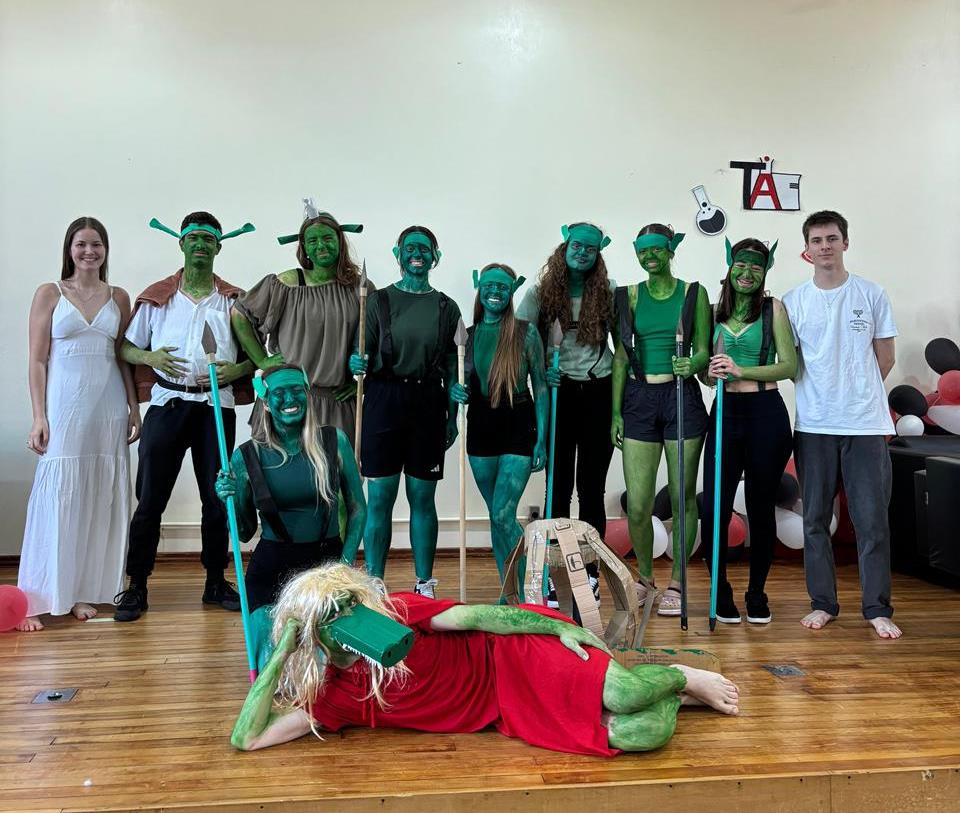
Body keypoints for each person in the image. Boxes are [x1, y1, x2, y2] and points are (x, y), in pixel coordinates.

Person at [229, 562, 740, 754]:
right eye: (333, 616)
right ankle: (675, 694)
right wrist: (283, 653)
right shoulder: (334, 698)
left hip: (510, 655)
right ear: (315, 632)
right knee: (640, 733)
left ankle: (679, 674)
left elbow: (477, 616)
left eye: (349, 605)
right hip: (505, 710)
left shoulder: (395, 612)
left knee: (626, 694)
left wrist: (557, 625)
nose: (349, 618)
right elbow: (246, 739)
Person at [113, 212, 255, 622]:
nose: (200, 245)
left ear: (218, 247)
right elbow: (126, 348)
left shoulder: (234, 301)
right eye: (193, 238)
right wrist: (151, 358)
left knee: (218, 498)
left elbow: (256, 357)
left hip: (215, 407)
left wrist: (238, 369)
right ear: (182, 244)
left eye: (208, 239)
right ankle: (136, 584)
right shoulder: (157, 299)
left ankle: (215, 581)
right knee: (150, 499)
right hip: (168, 405)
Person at [782, 210, 901, 639]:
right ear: (806, 250)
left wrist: (856, 395)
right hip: (814, 425)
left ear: (845, 243)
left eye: (832, 238)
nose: (825, 246)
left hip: (865, 426)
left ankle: (877, 608)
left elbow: (885, 358)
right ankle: (823, 604)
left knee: (872, 522)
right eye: (817, 240)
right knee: (815, 519)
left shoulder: (871, 293)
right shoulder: (792, 302)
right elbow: (790, 362)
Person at [18, 217, 140, 631]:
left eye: (96, 244)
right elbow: (37, 360)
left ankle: (81, 591)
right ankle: (37, 596)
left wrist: (133, 407)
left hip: (108, 407)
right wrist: (39, 416)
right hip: (64, 405)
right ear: (69, 249)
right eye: (81, 244)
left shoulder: (119, 296)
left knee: (98, 498)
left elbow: (123, 357)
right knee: (58, 495)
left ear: (106, 249)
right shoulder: (50, 293)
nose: (89, 251)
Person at [214, 365, 366, 667]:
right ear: (266, 403)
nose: (289, 399)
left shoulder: (334, 442)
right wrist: (229, 498)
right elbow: (243, 532)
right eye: (279, 393)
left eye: (296, 391)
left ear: (307, 395)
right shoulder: (247, 456)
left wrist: (344, 564)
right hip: (272, 568)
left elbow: (358, 509)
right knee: (273, 664)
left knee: (327, 667)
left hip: (325, 566)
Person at [348, 226, 460, 596]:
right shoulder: (377, 301)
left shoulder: (446, 307)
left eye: (425, 249)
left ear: (435, 257)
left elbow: (452, 364)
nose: (417, 254)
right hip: (383, 398)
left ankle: (424, 583)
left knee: (422, 497)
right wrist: (355, 363)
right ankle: (374, 582)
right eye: (410, 248)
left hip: (428, 401)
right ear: (398, 254)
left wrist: (452, 414)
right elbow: (360, 353)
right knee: (380, 497)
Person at [611, 223, 711, 615]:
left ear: (670, 250)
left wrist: (694, 363)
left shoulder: (693, 293)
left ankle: (678, 583)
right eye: (643, 250)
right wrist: (615, 413)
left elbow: (703, 350)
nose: (649, 256)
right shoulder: (628, 296)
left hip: (681, 396)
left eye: (656, 249)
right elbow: (621, 357)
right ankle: (645, 579)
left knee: (682, 495)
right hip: (639, 398)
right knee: (638, 503)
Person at [516, 223, 616, 605]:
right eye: (577, 245)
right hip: (560, 392)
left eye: (591, 248)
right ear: (565, 245)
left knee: (591, 489)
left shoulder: (607, 292)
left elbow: (623, 344)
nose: (583, 253)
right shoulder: (540, 293)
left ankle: (589, 572)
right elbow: (521, 341)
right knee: (557, 488)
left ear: (598, 253)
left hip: (598, 389)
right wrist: (542, 368)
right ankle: (556, 573)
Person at [699, 238, 797, 624]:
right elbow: (705, 375)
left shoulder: (774, 309)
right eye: (741, 264)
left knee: (760, 506)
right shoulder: (711, 313)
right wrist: (710, 373)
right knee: (715, 507)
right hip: (725, 412)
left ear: (765, 271)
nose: (747, 272)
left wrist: (742, 370)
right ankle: (720, 590)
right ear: (730, 265)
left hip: (765, 412)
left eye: (757, 267)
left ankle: (757, 592)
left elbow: (789, 365)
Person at [232, 203, 368, 440]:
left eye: (327, 238)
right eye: (312, 240)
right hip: (288, 398)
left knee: (333, 462)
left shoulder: (360, 288)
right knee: (279, 461)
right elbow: (239, 314)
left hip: (335, 403)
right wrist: (261, 360)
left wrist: (361, 382)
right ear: (304, 247)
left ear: (340, 241)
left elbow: (373, 339)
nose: (321, 245)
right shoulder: (288, 283)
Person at [450, 264, 548, 582]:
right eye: (490, 285)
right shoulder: (468, 336)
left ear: (511, 291)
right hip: (481, 425)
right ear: (480, 288)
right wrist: (456, 392)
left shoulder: (525, 332)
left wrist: (542, 439)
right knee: (496, 515)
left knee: (504, 513)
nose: (495, 291)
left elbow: (541, 387)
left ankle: (535, 579)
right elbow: (461, 383)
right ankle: (510, 588)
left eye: (502, 287)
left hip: (518, 422)